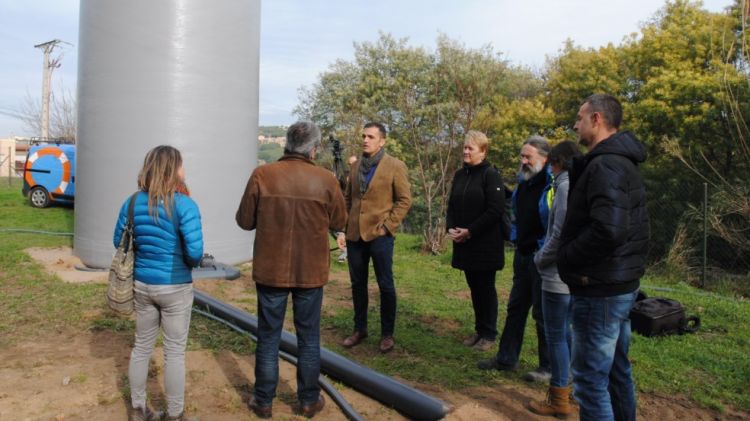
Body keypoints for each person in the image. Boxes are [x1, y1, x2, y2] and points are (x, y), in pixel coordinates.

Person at [236, 121, 347, 419]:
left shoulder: (263, 175)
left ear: (286, 143)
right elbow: (340, 220)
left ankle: (263, 401)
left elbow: (245, 221)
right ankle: (309, 400)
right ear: (313, 149)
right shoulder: (326, 180)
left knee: (269, 336)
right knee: (309, 337)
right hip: (310, 272)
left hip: (271, 270)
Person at [557, 94, 649, 421]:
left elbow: (609, 229)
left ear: (597, 119)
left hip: (600, 288)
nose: (575, 124)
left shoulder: (606, 163)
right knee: (616, 371)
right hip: (617, 283)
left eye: (580, 117)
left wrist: (566, 255)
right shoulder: (617, 160)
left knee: (589, 381)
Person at [114, 145, 204, 421]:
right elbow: (196, 252)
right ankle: (175, 415)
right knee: (174, 352)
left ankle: (138, 410)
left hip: (142, 285)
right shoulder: (185, 205)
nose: (184, 169)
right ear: (173, 170)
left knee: (141, 347)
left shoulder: (131, 202)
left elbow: (120, 242)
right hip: (175, 286)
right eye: (181, 165)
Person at [478, 135, 553, 383]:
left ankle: (548, 367)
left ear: (544, 159)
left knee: (543, 315)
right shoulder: (525, 181)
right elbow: (516, 209)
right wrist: (513, 234)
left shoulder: (554, 184)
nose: (523, 161)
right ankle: (506, 359)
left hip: (542, 258)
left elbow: (554, 221)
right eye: (522, 156)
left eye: (527, 157)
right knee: (516, 309)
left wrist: (543, 250)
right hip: (522, 254)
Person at [337, 122, 412, 353]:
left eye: (370, 136)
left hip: (380, 235)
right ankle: (360, 329)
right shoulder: (356, 165)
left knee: (385, 284)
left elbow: (404, 200)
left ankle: (387, 334)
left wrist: (387, 227)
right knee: (358, 284)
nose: (365, 140)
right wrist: (343, 229)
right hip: (355, 236)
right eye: (363, 136)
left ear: (382, 141)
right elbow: (348, 199)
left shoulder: (395, 166)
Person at [527, 140, 582, 418]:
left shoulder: (563, 185)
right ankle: (571, 392)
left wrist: (540, 259)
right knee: (567, 333)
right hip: (572, 272)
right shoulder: (581, 183)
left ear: (556, 162)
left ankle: (559, 397)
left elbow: (558, 233)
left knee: (557, 336)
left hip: (557, 274)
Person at [446, 130, 506, 351]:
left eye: (470, 148)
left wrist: (470, 231)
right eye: (464, 147)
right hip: (464, 243)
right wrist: (450, 228)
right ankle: (479, 330)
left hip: (485, 244)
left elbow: (496, 209)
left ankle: (489, 334)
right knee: (474, 287)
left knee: (485, 288)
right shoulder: (461, 175)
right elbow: (452, 204)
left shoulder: (491, 175)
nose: (466, 151)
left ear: (483, 151)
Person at [337, 155, 359, 263]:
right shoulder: (344, 176)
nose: (352, 166)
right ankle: (345, 251)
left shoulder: (362, 175)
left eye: (354, 163)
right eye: (350, 164)